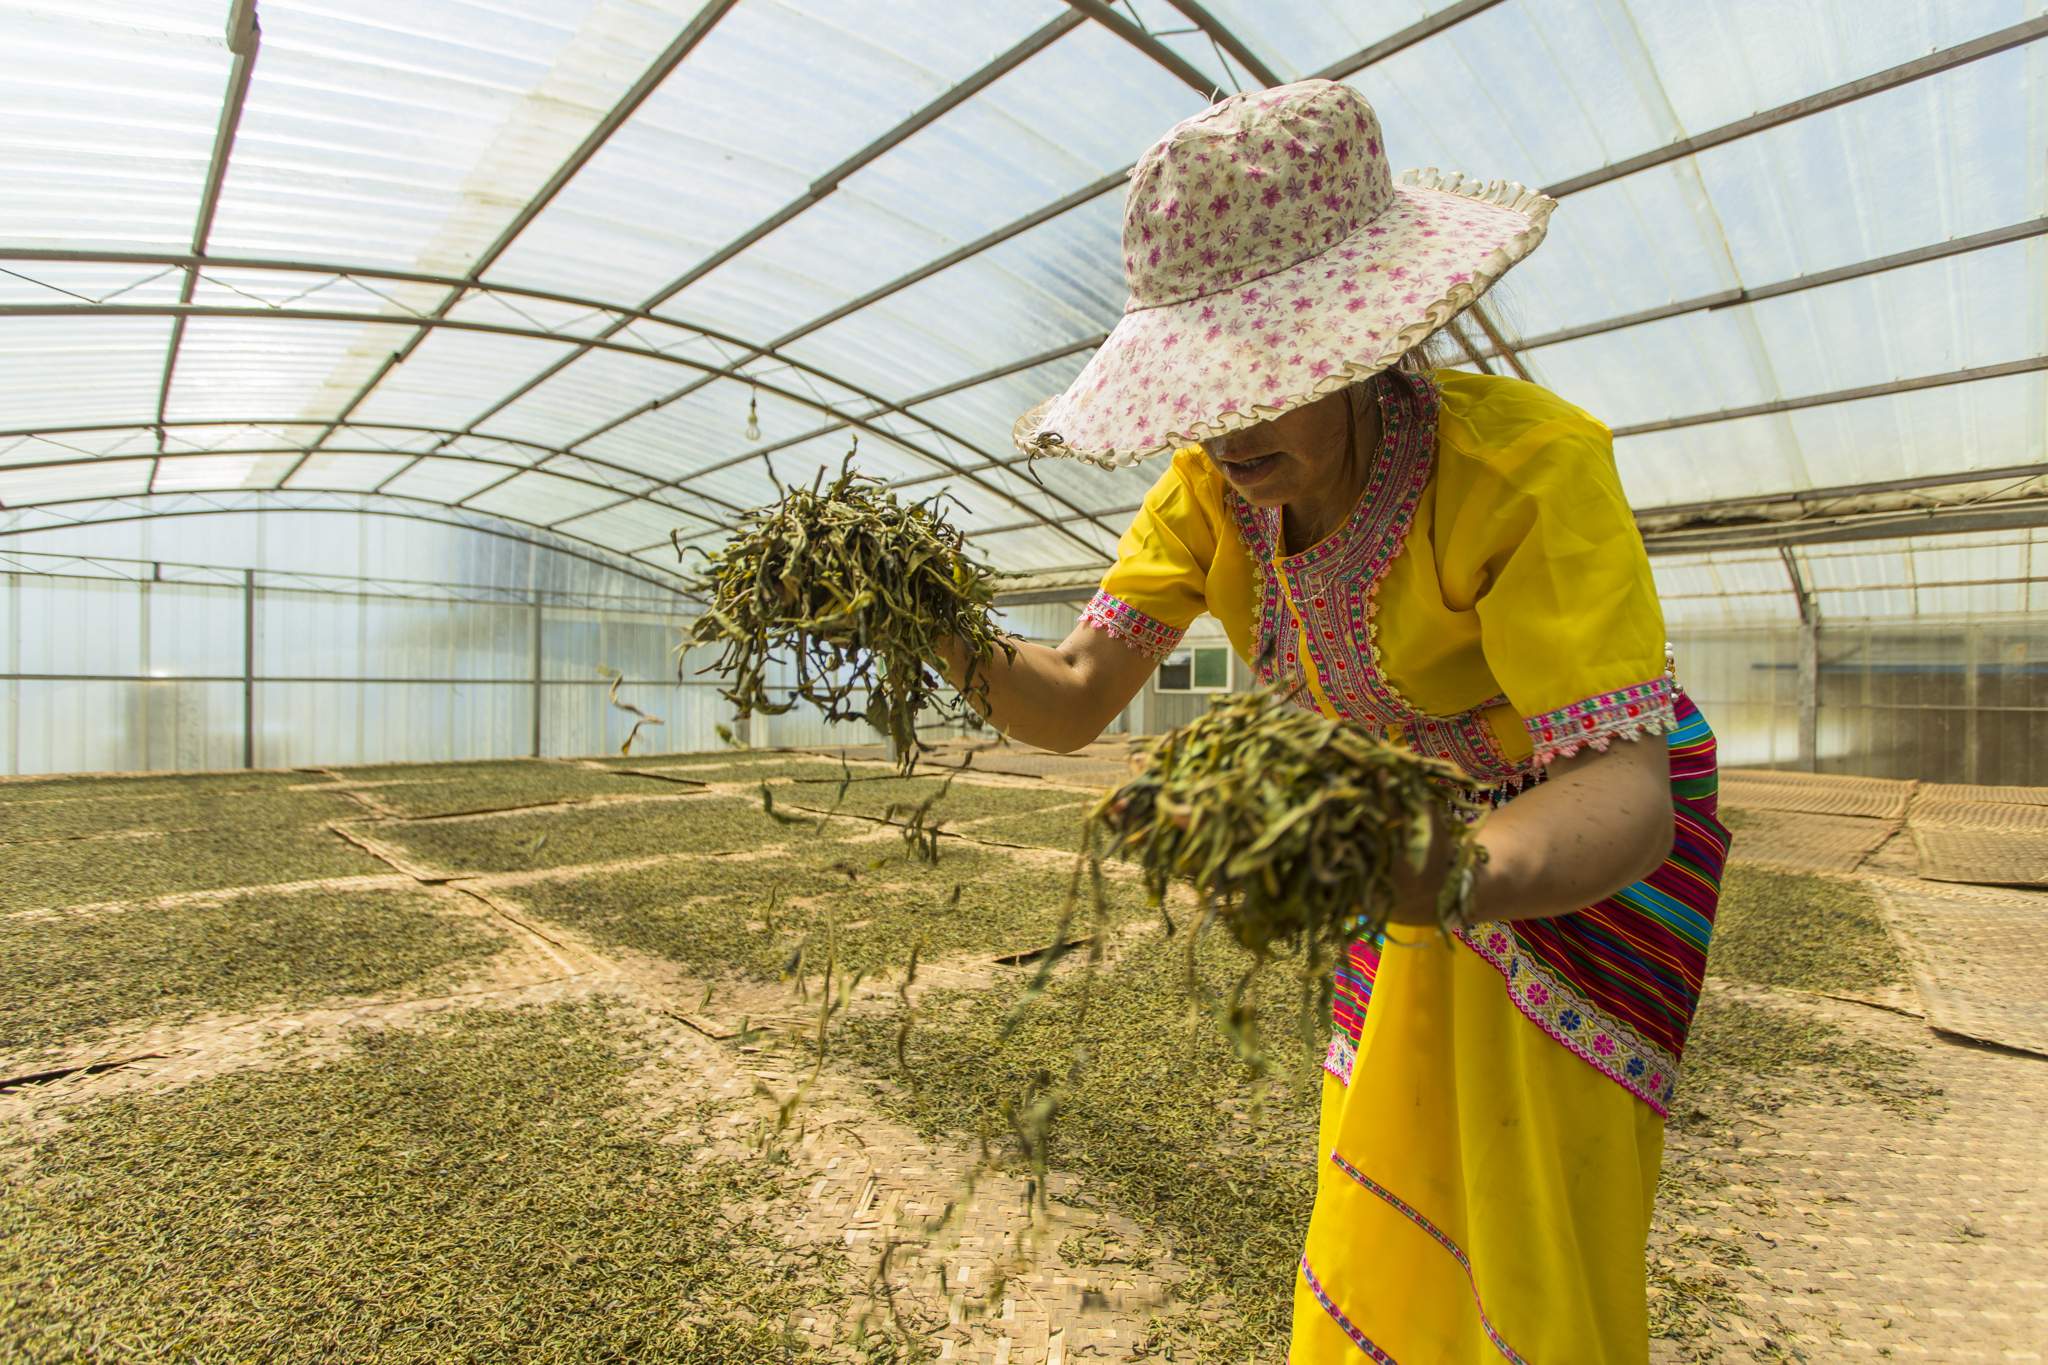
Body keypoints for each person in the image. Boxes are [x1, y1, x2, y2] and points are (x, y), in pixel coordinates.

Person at [936, 79, 1731, 1361]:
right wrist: (930, 620)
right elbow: (1071, 702)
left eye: (1266, 372)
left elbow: (1622, 793)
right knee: (1386, 1156)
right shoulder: (1205, 493)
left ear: (1361, 347)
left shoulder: (1522, 468)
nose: (1229, 426)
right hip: (1402, 843)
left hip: (1583, 858)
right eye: (1199, 385)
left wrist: (1452, 873)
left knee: (1533, 1202)